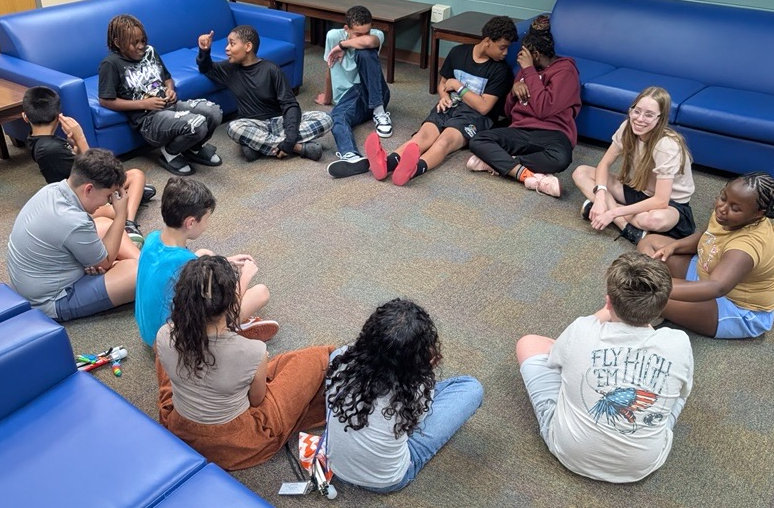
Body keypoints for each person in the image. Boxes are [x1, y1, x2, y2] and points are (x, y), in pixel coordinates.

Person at [515, 251, 693, 483]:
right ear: (662, 306)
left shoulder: (582, 329)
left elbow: (554, 359)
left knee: (529, 343)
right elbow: (682, 393)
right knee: (678, 389)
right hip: (643, 465)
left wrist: (603, 315)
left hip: (570, 453)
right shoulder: (678, 342)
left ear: (608, 301)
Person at [156, 255, 334, 470]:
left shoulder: (165, 334)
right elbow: (257, 400)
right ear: (233, 304)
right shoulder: (253, 351)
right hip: (235, 440)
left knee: (280, 364)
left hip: (180, 428)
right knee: (316, 358)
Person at [325, 298, 484, 492]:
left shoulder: (341, 359)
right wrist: (425, 374)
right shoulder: (416, 391)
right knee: (471, 388)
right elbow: (413, 427)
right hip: (386, 481)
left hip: (336, 465)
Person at [362, 16, 516, 186]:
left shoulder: (501, 71)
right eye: (502, 48)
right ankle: (386, 164)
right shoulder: (458, 53)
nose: (505, 53)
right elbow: (442, 84)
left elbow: (484, 107)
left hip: (475, 116)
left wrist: (458, 86)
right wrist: (443, 97)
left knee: (444, 141)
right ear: (487, 41)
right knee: (422, 137)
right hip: (450, 105)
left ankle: (412, 170)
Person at [135, 177, 277, 346]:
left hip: (148, 332)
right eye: (206, 219)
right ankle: (227, 333)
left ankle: (230, 331)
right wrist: (245, 276)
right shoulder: (186, 264)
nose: (207, 224)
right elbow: (222, 305)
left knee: (205, 253)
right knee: (261, 292)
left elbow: (180, 265)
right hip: (174, 343)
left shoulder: (152, 238)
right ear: (191, 222)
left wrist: (225, 261)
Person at [7, 148, 140, 321]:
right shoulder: (73, 221)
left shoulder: (54, 189)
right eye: (108, 196)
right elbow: (105, 262)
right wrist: (121, 214)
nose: (109, 202)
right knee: (139, 273)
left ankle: (143, 261)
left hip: (37, 279)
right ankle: (148, 266)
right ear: (89, 189)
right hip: (52, 299)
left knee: (105, 225)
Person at [637, 172, 774, 339]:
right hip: (708, 271)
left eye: (735, 208)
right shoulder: (726, 216)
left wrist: (656, 288)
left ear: (758, 214)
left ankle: (661, 303)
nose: (722, 209)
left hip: (734, 306)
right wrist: (674, 246)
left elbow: (717, 287)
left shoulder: (747, 246)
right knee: (649, 243)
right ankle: (668, 301)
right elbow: (706, 235)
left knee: (642, 297)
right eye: (723, 198)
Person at [23, 85, 156, 247]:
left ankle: (128, 198)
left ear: (25, 117)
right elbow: (96, 170)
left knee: (136, 174)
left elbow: (77, 165)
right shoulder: (50, 149)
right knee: (116, 210)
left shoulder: (39, 140)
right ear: (59, 116)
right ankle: (128, 223)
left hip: (87, 185)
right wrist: (81, 139)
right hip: (80, 200)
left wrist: (75, 147)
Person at [467, 15, 580, 198]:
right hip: (521, 130)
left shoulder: (565, 71)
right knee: (478, 140)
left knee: (560, 159)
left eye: (524, 55)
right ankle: (529, 176)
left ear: (534, 55)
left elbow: (544, 109)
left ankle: (496, 162)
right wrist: (513, 91)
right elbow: (508, 112)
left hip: (553, 134)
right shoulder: (525, 71)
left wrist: (528, 71)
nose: (520, 59)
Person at [99, 14, 223, 176]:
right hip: (148, 119)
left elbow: (167, 78)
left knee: (214, 112)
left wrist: (170, 90)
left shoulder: (150, 52)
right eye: (134, 43)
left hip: (171, 105)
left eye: (143, 40)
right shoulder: (111, 64)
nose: (141, 46)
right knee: (196, 124)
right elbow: (105, 101)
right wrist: (144, 104)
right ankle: (170, 153)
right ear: (117, 43)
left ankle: (193, 148)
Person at [572, 86, 696, 245]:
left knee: (655, 220)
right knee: (581, 173)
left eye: (649, 115)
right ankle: (625, 226)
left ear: (660, 118)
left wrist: (613, 212)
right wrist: (601, 196)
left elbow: (660, 201)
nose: (640, 119)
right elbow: (604, 163)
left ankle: (605, 212)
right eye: (637, 111)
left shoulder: (666, 146)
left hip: (670, 205)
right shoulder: (627, 128)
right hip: (639, 190)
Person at [196, 25, 332, 162]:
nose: (227, 48)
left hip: (279, 122)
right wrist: (204, 50)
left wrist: (290, 139)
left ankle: (258, 146)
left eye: (232, 44)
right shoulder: (229, 69)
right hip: (252, 124)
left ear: (248, 47)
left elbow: (290, 105)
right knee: (234, 128)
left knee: (325, 118)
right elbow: (206, 68)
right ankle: (299, 148)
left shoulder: (271, 69)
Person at [317, 6, 394, 178]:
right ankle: (351, 156)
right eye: (358, 33)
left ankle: (379, 111)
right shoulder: (333, 36)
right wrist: (327, 97)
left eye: (367, 31)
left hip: (374, 92)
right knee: (336, 117)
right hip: (350, 97)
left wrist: (343, 45)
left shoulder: (376, 35)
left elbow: (368, 43)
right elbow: (329, 66)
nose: (364, 36)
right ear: (346, 29)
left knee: (365, 53)